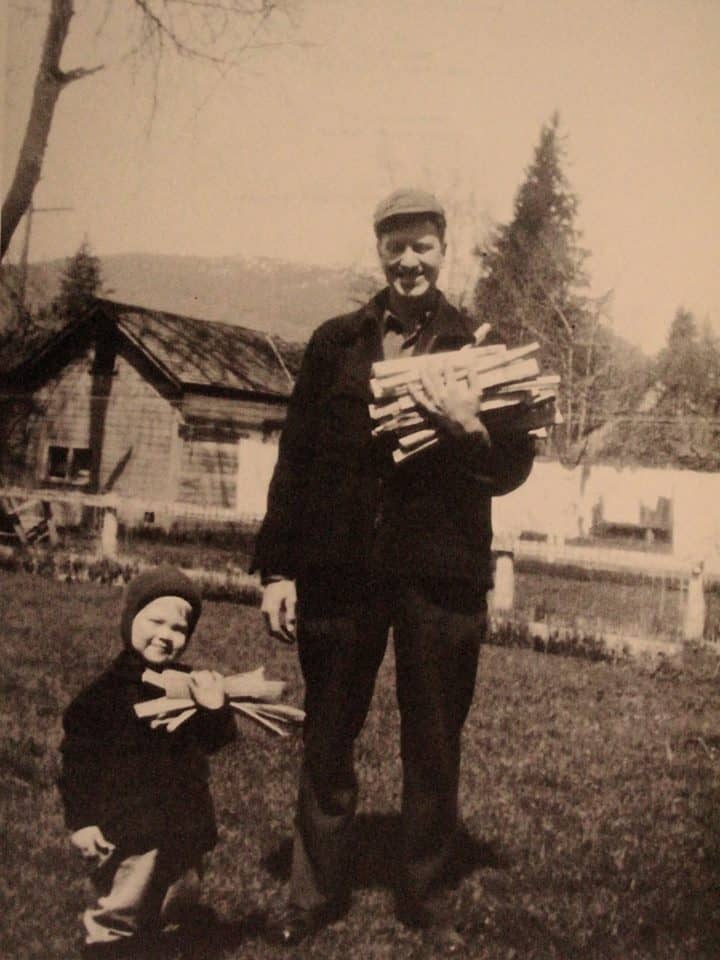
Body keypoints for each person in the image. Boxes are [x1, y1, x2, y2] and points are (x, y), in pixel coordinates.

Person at [252, 188, 535, 953]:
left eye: (423, 246)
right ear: (377, 250)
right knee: (329, 733)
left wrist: (472, 429)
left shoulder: (481, 346)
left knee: (435, 738)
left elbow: (513, 467)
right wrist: (278, 569)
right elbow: (296, 461)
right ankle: (313, 895)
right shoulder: (336, 342)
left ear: (445, 250)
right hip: (340, 569)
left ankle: (427, 894)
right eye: (395, 245)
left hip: (440, 574)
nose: (408, 261)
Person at [58, 565, 236, 958]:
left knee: (179, 894)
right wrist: (83, 820)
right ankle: (108, 947)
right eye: (155, 621)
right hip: (131, 825)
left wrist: (213, 708)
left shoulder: (187, 685)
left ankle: (167, 943)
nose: (166, 635)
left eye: (178, 629)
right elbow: (78, 765)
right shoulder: (102, 697)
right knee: (127, 901)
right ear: (129, 620)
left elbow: (215, 740)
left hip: (185, 819)